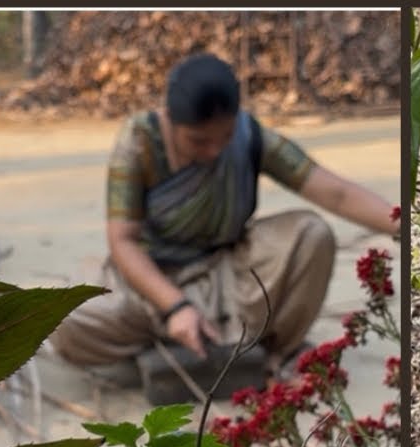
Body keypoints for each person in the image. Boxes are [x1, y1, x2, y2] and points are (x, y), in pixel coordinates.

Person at [51, 52, 399, 378]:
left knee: (311, 233)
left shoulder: (249, 135)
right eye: (199, 141)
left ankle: (282, 352)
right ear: (170, 119)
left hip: (230, 276)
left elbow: (335, 193)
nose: (215, 149)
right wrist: (175, 307)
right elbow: (123, 242)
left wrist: (408, 226)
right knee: (64, 322)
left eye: (225, 136)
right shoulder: (139, 141)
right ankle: (182, 336)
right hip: (152, 283)